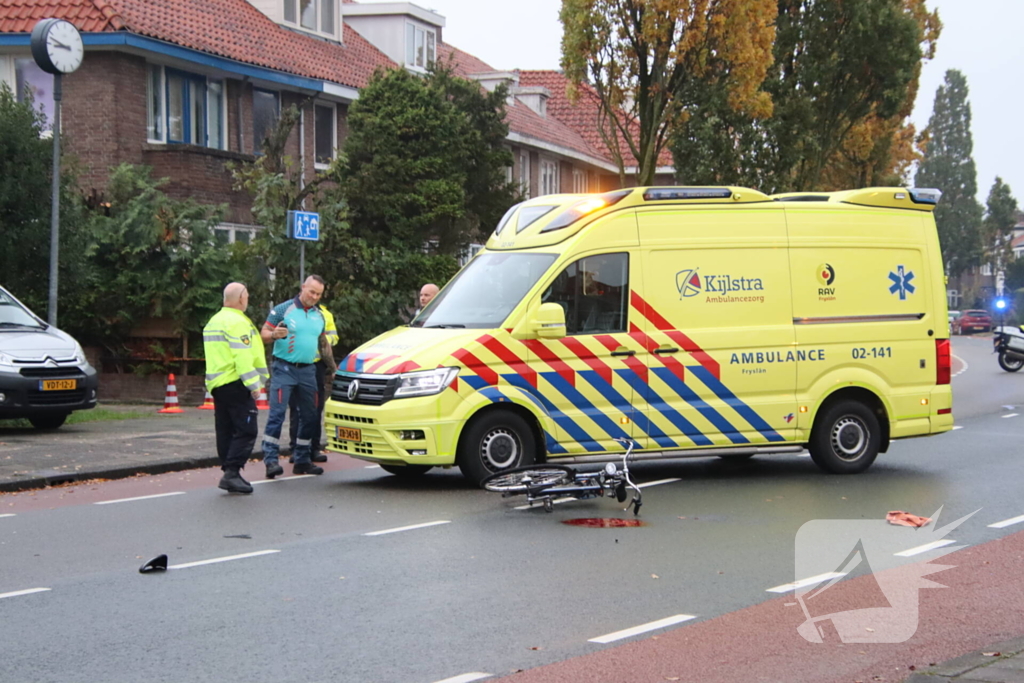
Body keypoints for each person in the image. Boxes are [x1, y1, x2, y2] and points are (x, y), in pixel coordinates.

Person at [203, 282, 268, 494]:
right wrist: (254, 384)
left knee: (225, 429)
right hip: (236, 382)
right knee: (247, 429)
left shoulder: (214, 321)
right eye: (247, 296)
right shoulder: (238, 322)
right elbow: (242, 356)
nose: (247, 299)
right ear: (241, 298)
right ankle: (231, 472)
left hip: (217, 384)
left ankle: (229, 471)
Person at [260, 275, 328, 478]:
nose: (314, 297)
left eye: (318, 294)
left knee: (310, 416)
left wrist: (333, 368)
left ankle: (302, 460)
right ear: (303, 288)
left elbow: (323, 344)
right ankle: (271, 461)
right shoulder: (283, 309)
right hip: (284, 369)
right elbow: (263, 332)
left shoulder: (319, 316)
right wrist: (273, 335)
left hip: (309, 370)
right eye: (312, 292)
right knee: (277, 415)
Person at [287, 302, 338, 462]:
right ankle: (295, 449)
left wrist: (319, 337)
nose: (313, 297)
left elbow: (334, 337)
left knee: (315, 408)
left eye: (316, 293)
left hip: (316, 365)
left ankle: (314, 449)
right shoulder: (292, 311)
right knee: (296, 409)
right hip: (297, 363)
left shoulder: (325, 314)